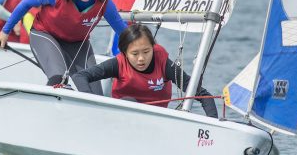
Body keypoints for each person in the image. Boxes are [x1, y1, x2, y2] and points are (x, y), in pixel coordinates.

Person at [0, 0, 127, 95]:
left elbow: (123, 30)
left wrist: (147, 50)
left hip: (77, 44)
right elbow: (25, 4)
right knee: (58, 79)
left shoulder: (103, 1)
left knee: (94, 93)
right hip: (45, 35)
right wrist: (5, 31)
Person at [72, 24, 219, 118]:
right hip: (123, 118)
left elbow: (202, 95)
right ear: (124, 53)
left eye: (147, 52)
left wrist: (213, 124)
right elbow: (80, 76)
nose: (141, 58)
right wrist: (91, 108)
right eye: (135, 54)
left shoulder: (164, 64)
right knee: (128, 101)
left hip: (156, 120)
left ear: (153, 48)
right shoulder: (118, 63)